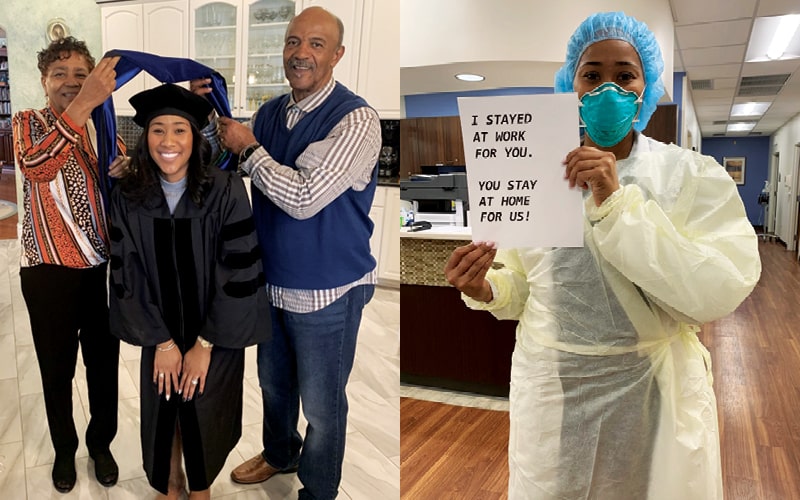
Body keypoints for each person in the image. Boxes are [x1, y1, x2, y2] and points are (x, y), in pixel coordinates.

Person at [444, 11, 761, 500]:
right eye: (591, 75)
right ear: (570, 86)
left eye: (624, 75)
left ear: (645, 86)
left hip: (650, 390)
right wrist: (486, 287)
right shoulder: (535, 174)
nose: (607, 88)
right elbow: (525, 284)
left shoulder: (687, 175)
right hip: (553, 387)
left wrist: (615, 203)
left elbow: (717, 288)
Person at [190, 5, 381, 499]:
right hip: (270, 281)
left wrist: (251, 149)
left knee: (322, 405)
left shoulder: (357, 120)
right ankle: (280, 454)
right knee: (274, 386)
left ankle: (317, 490)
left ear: (337, 55)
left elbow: (303, 197)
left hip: (330, 291)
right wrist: (206, 118)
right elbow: (224, 160)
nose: (301, 53)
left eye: (316, 44)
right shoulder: (272, 112)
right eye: (293, 41)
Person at [107, 83, 271, 500]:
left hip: (214, 335)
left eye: (179, 130)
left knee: (203, 410)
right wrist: (162, 342)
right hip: (158, 330)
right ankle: (172, 481)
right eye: (158, 129)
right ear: (144, 138)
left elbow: (239, 270)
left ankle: (200, 487)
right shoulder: (128, 195)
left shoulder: (226, 190)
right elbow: (128, 272)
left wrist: (204, 343)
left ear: (195, 137)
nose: (168, 141)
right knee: (167, 408)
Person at [12, 36, 129, 493]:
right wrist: (86, 102)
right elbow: (37, 166)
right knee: (56, 368)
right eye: (60, 74)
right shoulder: (28, 123)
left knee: (104, 364)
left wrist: (125, 172)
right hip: (47, 269)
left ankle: (101, 444)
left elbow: (124, 189)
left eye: (82, 75)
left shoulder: (104, 127)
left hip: (101, 268)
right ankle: (64, 449)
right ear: (43, 82)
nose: (71, 82)